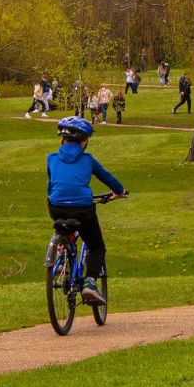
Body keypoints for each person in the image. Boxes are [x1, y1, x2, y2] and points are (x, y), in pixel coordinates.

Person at [47, 116, 125, 304]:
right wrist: (119, 191)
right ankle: (90, 282)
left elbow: (53, 185)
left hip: (56, 207)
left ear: (62, 140)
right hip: (83, 208)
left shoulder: (51, 159)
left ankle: (62, 254)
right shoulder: (88, 160)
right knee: (96, 246)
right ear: (84, 142)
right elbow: (107, 178)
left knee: (65, 224)